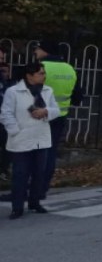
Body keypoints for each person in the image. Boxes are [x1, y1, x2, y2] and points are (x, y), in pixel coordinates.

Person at [0, 62, 61, 219]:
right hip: (21, 139)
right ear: (29, 75)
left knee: (38, 173)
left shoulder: (47, 91)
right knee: (20, 174)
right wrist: (15, 131)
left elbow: (56, 110)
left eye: (43, 73)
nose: (44, 76)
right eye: (40, 73)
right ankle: (17, 207)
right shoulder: (13, 91)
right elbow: (6, 113)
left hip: (41, 138)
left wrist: (45, 111)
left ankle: (34, 202)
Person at [34, 40, 82, 199]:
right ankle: (42, 189)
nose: (35, 51)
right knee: (50, 152)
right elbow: (78, 97)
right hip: (60, 116)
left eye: (38, 49)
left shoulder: (40, 68)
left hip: (38, 116)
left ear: (45, 51)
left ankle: (30, 188)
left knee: (33, 153)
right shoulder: (69, 68)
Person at [0, 62, 14, 181]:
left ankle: (4, 170)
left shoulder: (12, 87)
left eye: (5, 71)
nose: (4, 74)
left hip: (6, 122)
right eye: (2, 71)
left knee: (7, 147)